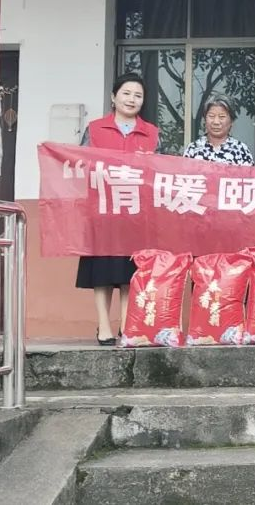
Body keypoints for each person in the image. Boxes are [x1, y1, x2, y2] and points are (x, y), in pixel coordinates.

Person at [76, 73, 159, 346]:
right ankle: (103, 325)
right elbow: (81, 164)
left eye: (138, 95)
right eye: (126, 93)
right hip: (102, 210)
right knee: (101, 271)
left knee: (129, 272)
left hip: (136, 212)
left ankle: (126, 324)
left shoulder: (151, 133)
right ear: (114, 97)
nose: (132, 99)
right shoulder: (95, 129)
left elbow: (159, 170)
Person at [183, 96, 254, 165]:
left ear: (231, 121)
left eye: (222, 117)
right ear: (205, 119)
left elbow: (249, 173)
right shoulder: (193, 148)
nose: (216, 122)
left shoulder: (241, 150)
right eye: (211, 116)